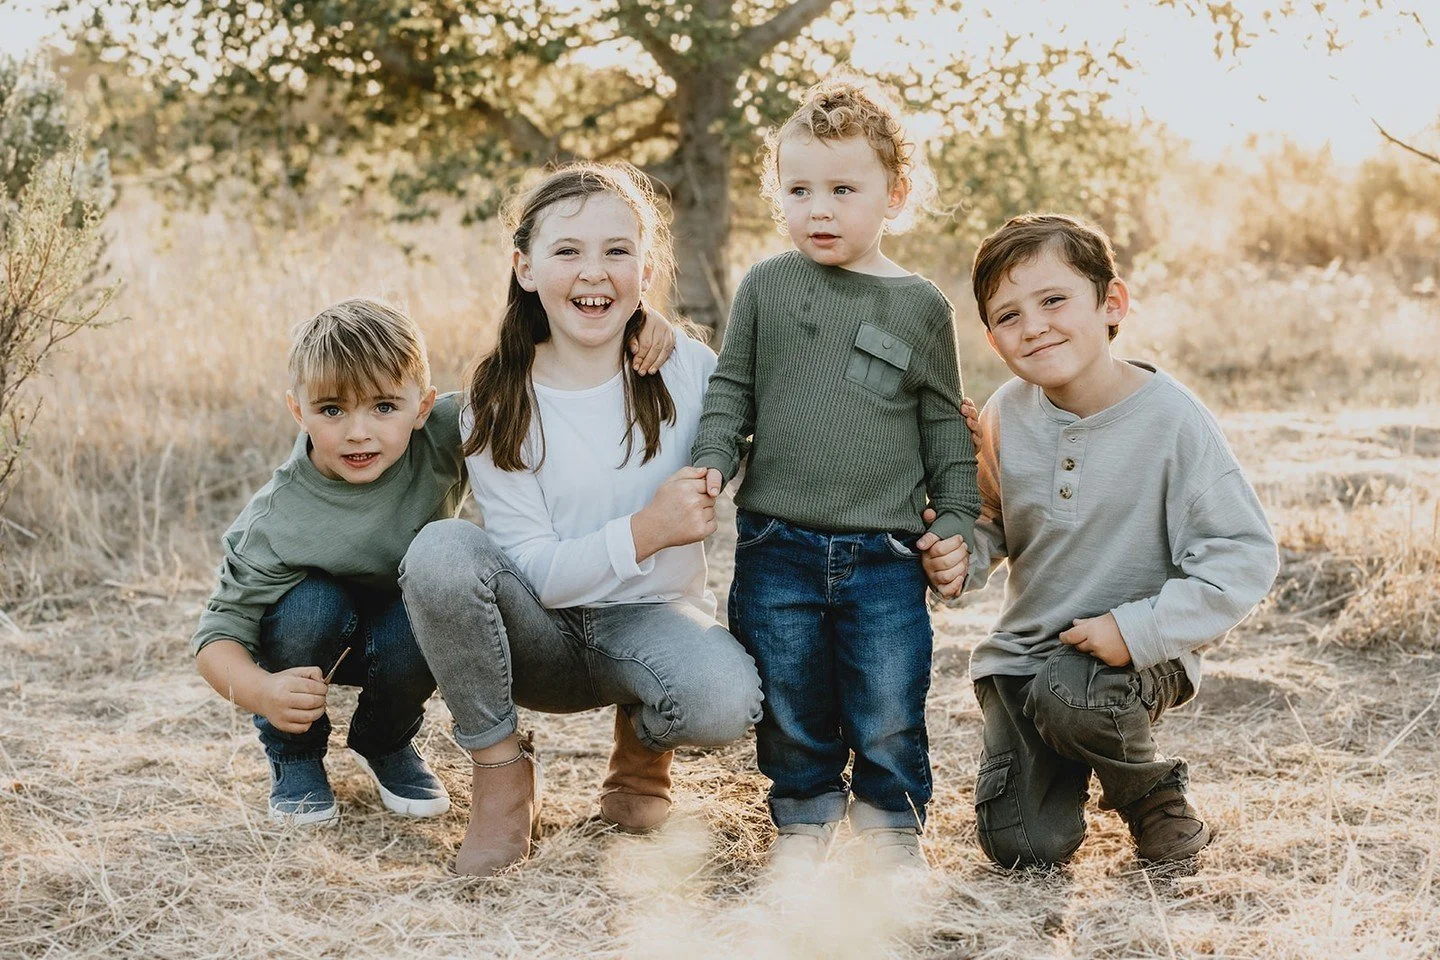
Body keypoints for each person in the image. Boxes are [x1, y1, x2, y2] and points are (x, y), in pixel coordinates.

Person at [398, 163, 765, 877]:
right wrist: (646, 531)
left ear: (646, 268)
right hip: (539, 633)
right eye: (567, 251)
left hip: (651, 622)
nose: (593, 273)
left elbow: (756, 461)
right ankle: (502, 780)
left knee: (724, 701)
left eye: (616, 252)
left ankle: (639, 756)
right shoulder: (497, 394)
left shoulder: (687, 367)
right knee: (443, 552)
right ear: (525, 269)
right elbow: (531, 567)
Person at [689, 78, 980, 871]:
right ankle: (806, 815)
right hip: (775, 541)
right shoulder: (767, 287)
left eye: (843, 189)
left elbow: (943, 427)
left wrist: (955, 518)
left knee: (887, 703)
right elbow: (732, 390)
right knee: (790, 698)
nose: (818, 209)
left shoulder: (920, 306)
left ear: (895, 194)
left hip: (884, 554)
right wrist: (712, 457)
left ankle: (890, 826)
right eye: (799, 189)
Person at [962, 214, 1279, 867]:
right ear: (993, 339)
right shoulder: (1005, 413)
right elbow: (990, 519)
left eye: (1054, 300)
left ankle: (1153, 803)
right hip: (1025, 657)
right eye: (1010, 315)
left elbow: (1244, 554)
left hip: (1133, 656)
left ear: (1112, 303)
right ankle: (1069, 762)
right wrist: (955, 554)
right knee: (1023, 848)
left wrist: (1135, 631)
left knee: (1073, 696)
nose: (1035, 325)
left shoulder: (1172, 421)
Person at [191, 298, 461, 825]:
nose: (358, 432)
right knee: (311, 604)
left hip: (400, 630)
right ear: (298, 410)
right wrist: (265, 693)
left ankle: (384, 742)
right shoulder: (275, 519)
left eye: (384, 406)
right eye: (332, 409)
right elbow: (215, 641)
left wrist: (641, 322)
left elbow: (537, 387)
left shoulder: (444, 433)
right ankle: (295, 756)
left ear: (423, 406)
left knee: (431, 599)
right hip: (310, 638)